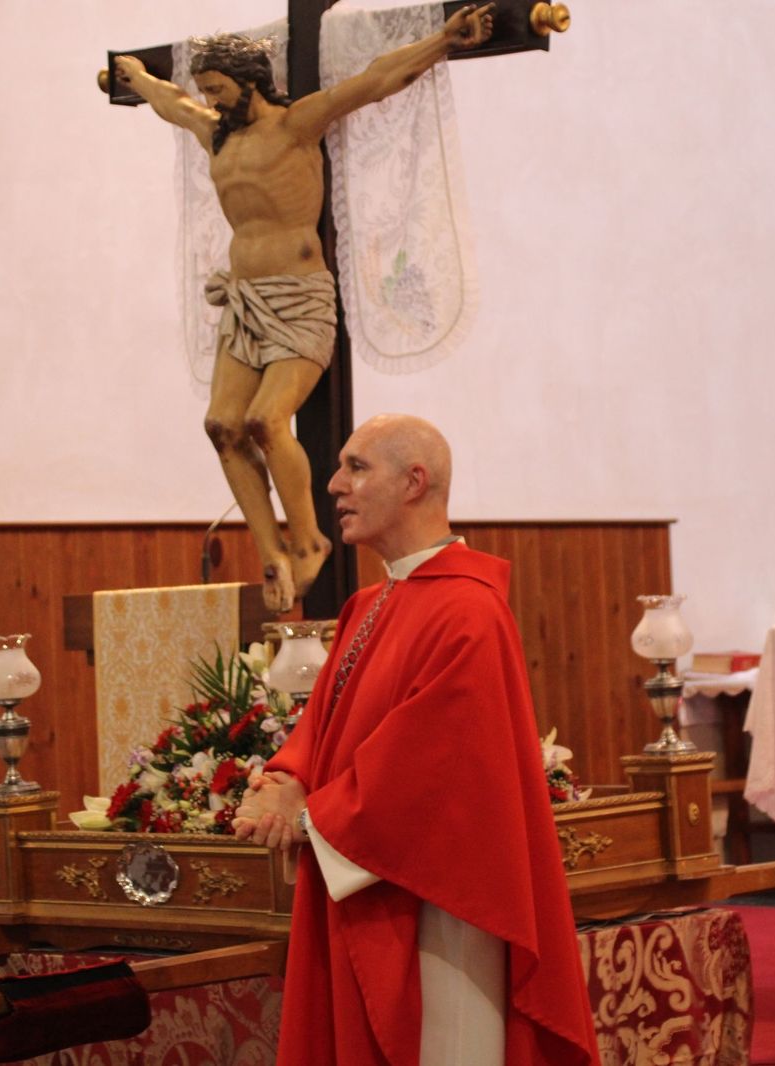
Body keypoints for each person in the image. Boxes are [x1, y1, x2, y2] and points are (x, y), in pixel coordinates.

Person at [232, 414, 599, 1066]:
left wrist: (308, 813)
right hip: (371, 887)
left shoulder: (468, 611)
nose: (334, 485)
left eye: (357, 467)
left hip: (443, 906)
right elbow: (322, 729)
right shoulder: (368, 605)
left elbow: (431, 770)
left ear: (415, 481)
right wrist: (285, 780)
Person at [112, 6, 495, 613]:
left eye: (218, 88)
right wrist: (133, 75)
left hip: (298, 296)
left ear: (249, 81)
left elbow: (374, 79)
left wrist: (443, 40)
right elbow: (166, 99)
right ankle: (272, 553)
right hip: (245, 301)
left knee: (268, 421)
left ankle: (309, 539)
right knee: (222, 427)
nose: (209, 98)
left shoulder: (294, 125)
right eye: (205, 88)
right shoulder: (214, 132)